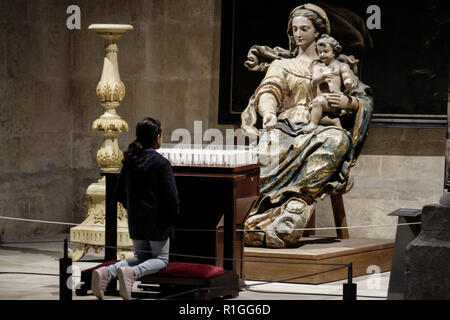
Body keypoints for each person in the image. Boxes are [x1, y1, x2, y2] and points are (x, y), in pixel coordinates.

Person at [241, 4, 373, 248]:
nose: (298, 34)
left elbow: (362, 98)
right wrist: (269, 113)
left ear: (317, 32)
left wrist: (349, 101)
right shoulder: (282, 65)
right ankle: (260, 216)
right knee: (269, 148)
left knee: (337, 142)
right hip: (285, 125)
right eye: (295, 29)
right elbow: (269, 90)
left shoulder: (335, 65)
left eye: (305, 29)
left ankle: (296, 205)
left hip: (323, 126)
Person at [91, 117, 179, 300]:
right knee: (161, 260)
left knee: (141, 256)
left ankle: (108, 272)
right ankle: (133, 273)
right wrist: (171, 219)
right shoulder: (161, 163)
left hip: (136, 219)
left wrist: (134, 209)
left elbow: (119, 192)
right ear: (156, 137)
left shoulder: (129, 161)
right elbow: (171, 198)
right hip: (157, 221)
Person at [305, 34, 358, 132]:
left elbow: (347, 78)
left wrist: (349, 84)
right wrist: (323, 76)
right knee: (310, 113)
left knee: (317, 104)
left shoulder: (341, 66)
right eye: (320, 52)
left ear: (334, 52)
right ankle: (334, 121)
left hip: (334, 99)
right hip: (322, 100)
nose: (322, 55)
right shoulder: (318, 67)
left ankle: (313, 125)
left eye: (325, 52)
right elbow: (314, 82)